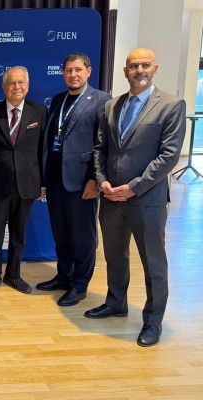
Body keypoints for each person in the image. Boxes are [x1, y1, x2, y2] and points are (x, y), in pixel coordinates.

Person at [86, 48, 186, 347]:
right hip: (111, 198)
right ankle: (116, 302)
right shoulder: (112, 105)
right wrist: (102, 181)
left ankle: (153, 322)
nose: (139, 70)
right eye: (133, 66)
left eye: (145, 65)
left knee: (153, 264)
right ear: (125, 71)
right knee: (115, 256)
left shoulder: (171, 105)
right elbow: (101, 149)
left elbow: (168, 157)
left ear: (154, 69)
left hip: (146, 199)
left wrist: (134, 187)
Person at [36, 53, 111, 306]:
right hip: (57, 179)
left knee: (83, 236)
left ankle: (80, 284)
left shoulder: (101, 100)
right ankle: (64, 276)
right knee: (62, 232)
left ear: (88, 71)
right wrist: (44, 178)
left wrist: (95, 180)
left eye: (78, 69)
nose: (73, 75)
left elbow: (104, 144)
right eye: (68, 70)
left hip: (82, 182)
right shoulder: (58, 99)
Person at [0, 66, 46, 294]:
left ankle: (14, 275)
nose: (16, 87)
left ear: (27, 85)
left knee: (19, 232)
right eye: (11, 83)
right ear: (3, 87)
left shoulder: (39, 111)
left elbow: (43, 149)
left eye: (21, 82)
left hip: (27, 182)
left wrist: (43, 182)